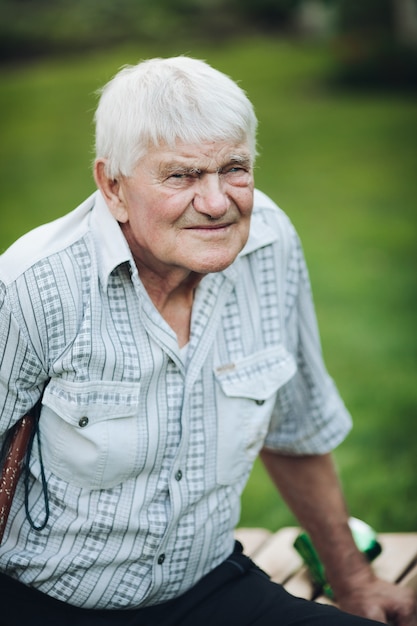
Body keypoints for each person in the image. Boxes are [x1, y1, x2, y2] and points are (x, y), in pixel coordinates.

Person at [0, 56, 415, 626]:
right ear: (112, 187)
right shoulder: (35, 285)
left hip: (209, 589)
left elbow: (296, 426)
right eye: (182, 176)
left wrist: (354, 579)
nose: (218, 202)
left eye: (234, 168)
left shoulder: (268, 243)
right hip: (45, 606)